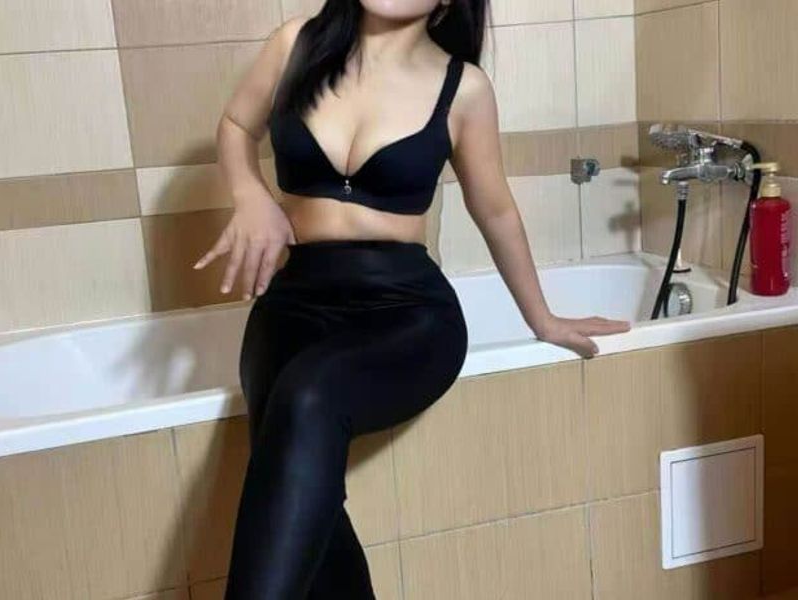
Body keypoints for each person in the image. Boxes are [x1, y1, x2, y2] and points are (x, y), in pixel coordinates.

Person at [193, 1, 632, 598]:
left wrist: (543, 318)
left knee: (308, 395)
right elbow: (236, 126)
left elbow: (495, 210)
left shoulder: (464, 88)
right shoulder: (296, 43)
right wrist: (251, 198)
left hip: (404, 313)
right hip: (291, 305)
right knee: (302, 487)